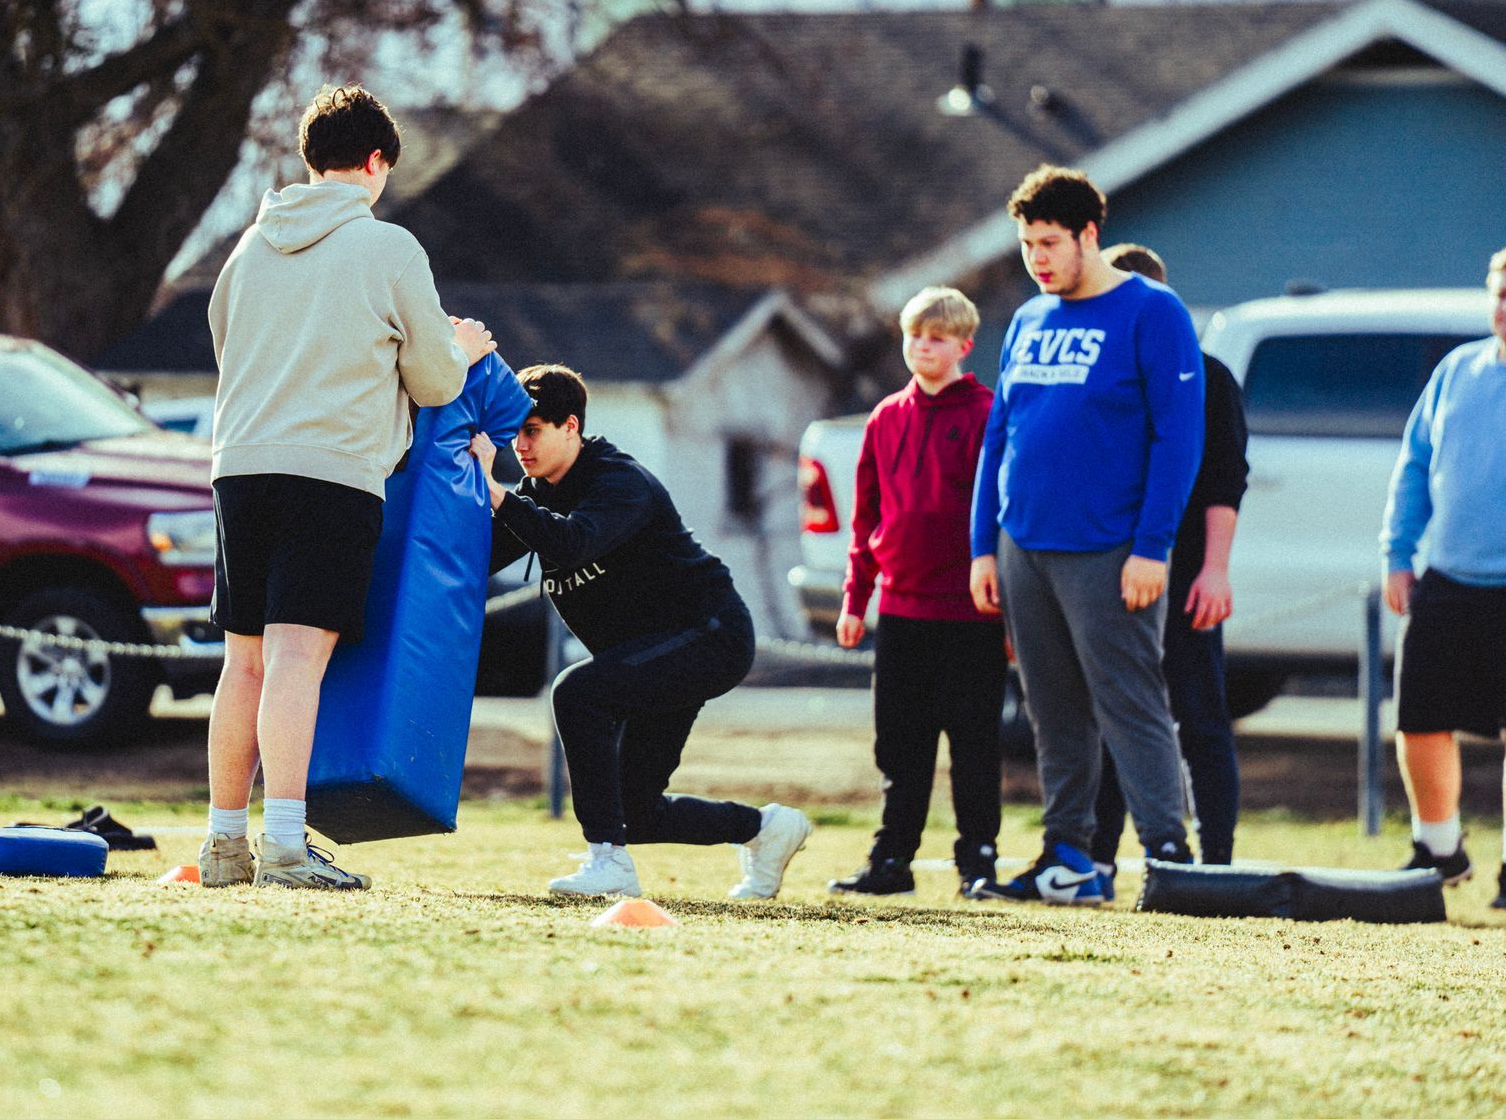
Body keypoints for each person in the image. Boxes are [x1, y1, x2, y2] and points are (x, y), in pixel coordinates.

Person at [200, 85, 496, 890]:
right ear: (375, 163)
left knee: (246, 663)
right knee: (299, 658)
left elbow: (227, 348)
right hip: (329, 473)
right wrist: (461, 348)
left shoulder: (249, 246)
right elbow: (435, 382)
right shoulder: (388, 248)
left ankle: (224, 843)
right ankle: (288, 846)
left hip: (239, 466)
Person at [468, 364, 812, 900]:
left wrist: (500, 497)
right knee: (635, 810)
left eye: (533, 430)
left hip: (709, 635)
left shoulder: (619, 482)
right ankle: (766, 829)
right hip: (649, 653)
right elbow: (478, 558)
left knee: (577, 693)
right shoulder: (539, 490)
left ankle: (607, 861)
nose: (521, 445)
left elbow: (572, 543)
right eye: (515, 432)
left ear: (571, 427)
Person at [968, 165, 1202, 906]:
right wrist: (983, 545)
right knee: (1052, 710)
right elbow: (998, 436)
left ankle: (1170, 855)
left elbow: (1179, 437)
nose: (1036, 258)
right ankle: (1069, 858)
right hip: (1024, 546)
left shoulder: (1152, 312)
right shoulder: (1030, 320)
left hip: (1110, 550)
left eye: (1048, 242)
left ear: (1088, 236)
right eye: (1027, 245)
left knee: (1129, 701)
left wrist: (1153, 546)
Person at [829, 286, 1005, 899]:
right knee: (900, 746)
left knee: (975, 743)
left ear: (964, 344)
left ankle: (978, 862)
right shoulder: (885, 417)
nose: (923, 347)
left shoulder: (987, 412)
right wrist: (856, 598)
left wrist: (1008, 609)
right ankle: (892, 860)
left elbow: (1002, 513)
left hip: (972, 611)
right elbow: (866, 517)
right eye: (914, 336)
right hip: (901, 611)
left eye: (937, 337)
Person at [1090, 244, 1247, 890]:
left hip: (1181, 574)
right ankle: (1095, 857)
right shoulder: (1103, 376)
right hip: (1103, 567)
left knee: (1200, 716)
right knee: (1110, 717)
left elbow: (1224, 482)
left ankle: (1217, 862)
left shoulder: (1208, 378)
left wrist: (1214, 569)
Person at [1379, 248, 1506, 909]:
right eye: (1502, 294)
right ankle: (1439, 849)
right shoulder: (1458, 371)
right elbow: (1413, 466)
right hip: (1449, 579)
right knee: (1419, 717)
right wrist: (1397, 555)